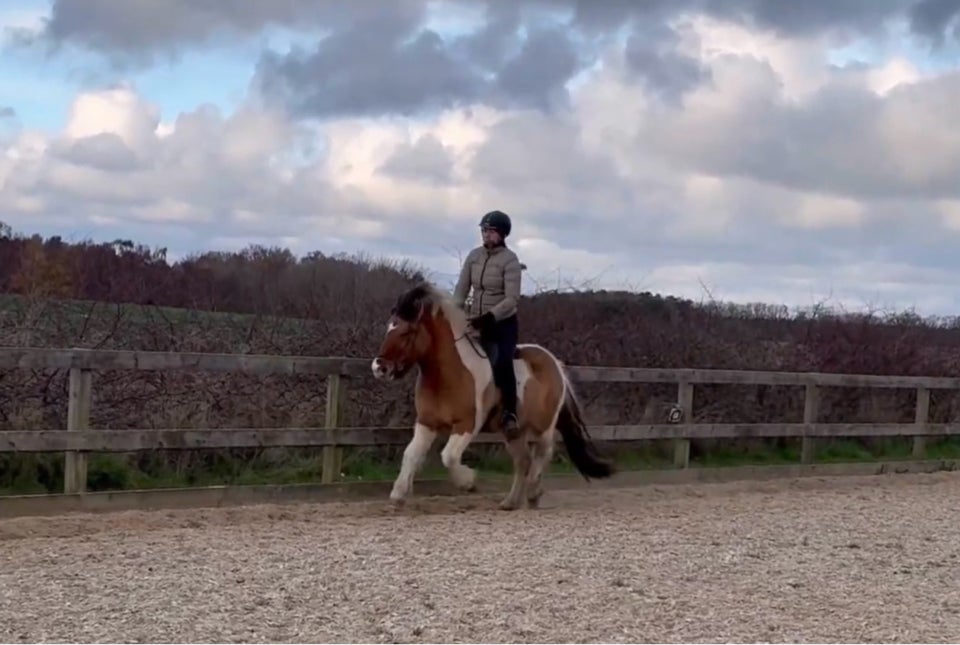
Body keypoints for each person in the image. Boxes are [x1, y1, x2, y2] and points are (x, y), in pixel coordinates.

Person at [452, 209, 523, 439]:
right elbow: (461, 290)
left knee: (502, 363)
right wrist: (455, 313)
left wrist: (490, 316)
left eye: (490, 231)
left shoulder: (510, 260)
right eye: (484, 230)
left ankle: (510, 413)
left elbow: (512, 299)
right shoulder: (474, 257)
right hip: (476, 321)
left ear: (502, 234)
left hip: (501, 323)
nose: (485, 235)